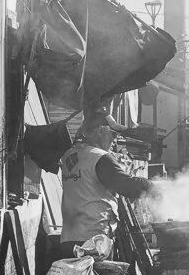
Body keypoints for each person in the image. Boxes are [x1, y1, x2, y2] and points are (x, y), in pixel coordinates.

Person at [59, 107, 154, 261]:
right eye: (113, 134)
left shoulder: (70, 154)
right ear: (100, 131)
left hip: (69, 238)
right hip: (93, 240)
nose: (115, 139)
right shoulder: (100, 158)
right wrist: (153, 187)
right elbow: (127, 187)